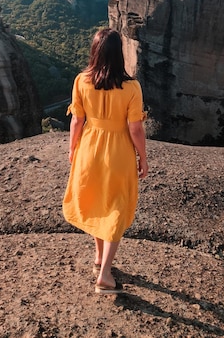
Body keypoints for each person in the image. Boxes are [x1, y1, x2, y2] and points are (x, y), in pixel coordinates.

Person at [62, 27, 148, 294]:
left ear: (95, 52)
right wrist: (143, 157)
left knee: (98, 203)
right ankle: (105, 275)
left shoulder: (81, 80)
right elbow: (135, 128)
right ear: (118, 54)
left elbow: (77, 120)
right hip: (118, 151)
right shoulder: (132, 86)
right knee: (116, 209)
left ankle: (100, 258)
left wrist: (73, 148)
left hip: (89, 148)